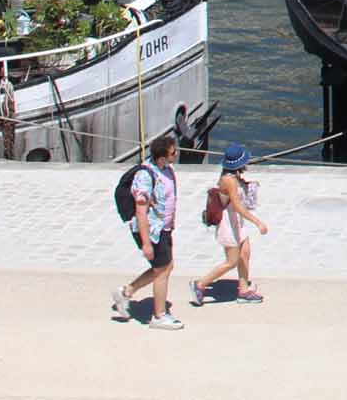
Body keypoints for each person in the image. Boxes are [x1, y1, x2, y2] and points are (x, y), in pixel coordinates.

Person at [113, 133, 181, 330]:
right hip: (151, 230)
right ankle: (158, 315)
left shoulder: (167, 170)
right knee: (162, 270)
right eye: (172, 152)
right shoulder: (145, 176)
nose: (175, 154)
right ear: (162, 157)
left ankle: (126, 292)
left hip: (164, 228)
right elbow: (141, 212)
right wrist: (146, 243)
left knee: (166, 267)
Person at [192, 143, 270, 306]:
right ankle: (200, 284)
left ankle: (243, 290)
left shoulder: (234, 178)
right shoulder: (228, 181)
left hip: (236, 222)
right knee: (232, 261)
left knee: (245, 254)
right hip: (228, 224)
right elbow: (237, 206)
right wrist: (258, 222)